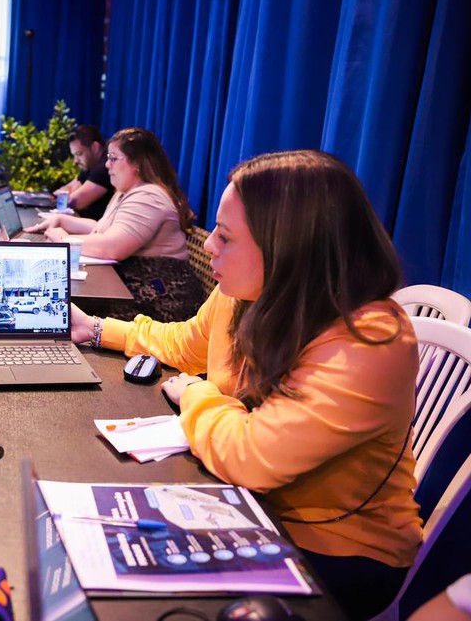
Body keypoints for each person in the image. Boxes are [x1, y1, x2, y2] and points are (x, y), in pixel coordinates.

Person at [70, 150, 423, 620]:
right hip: (248, 502)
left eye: (227, 236)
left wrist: (195, 393)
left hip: (338, 551)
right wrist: (94, 329)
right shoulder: (248, 293)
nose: (210, 245)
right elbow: (185, 343)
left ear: (291, 249)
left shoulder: (372, 339)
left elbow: (252, 456)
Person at [28, 127, 205, 322]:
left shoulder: (149, 196)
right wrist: (61, 220)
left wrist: (64, 239)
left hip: (161, 301)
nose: (106, 165)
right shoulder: (128, 192)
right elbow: (103, 228)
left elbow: (112, 247)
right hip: (136, 290)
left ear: (136, 163)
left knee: (61, 310)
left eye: (113, 158)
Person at [56, 124, 113, 220]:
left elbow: (75, 202)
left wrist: (72, 192)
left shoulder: (104, 168)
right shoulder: (90, 165)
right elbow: (62, 192)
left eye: (79, 154)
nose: (75, 161)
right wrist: (73, 190)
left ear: (95, 147)